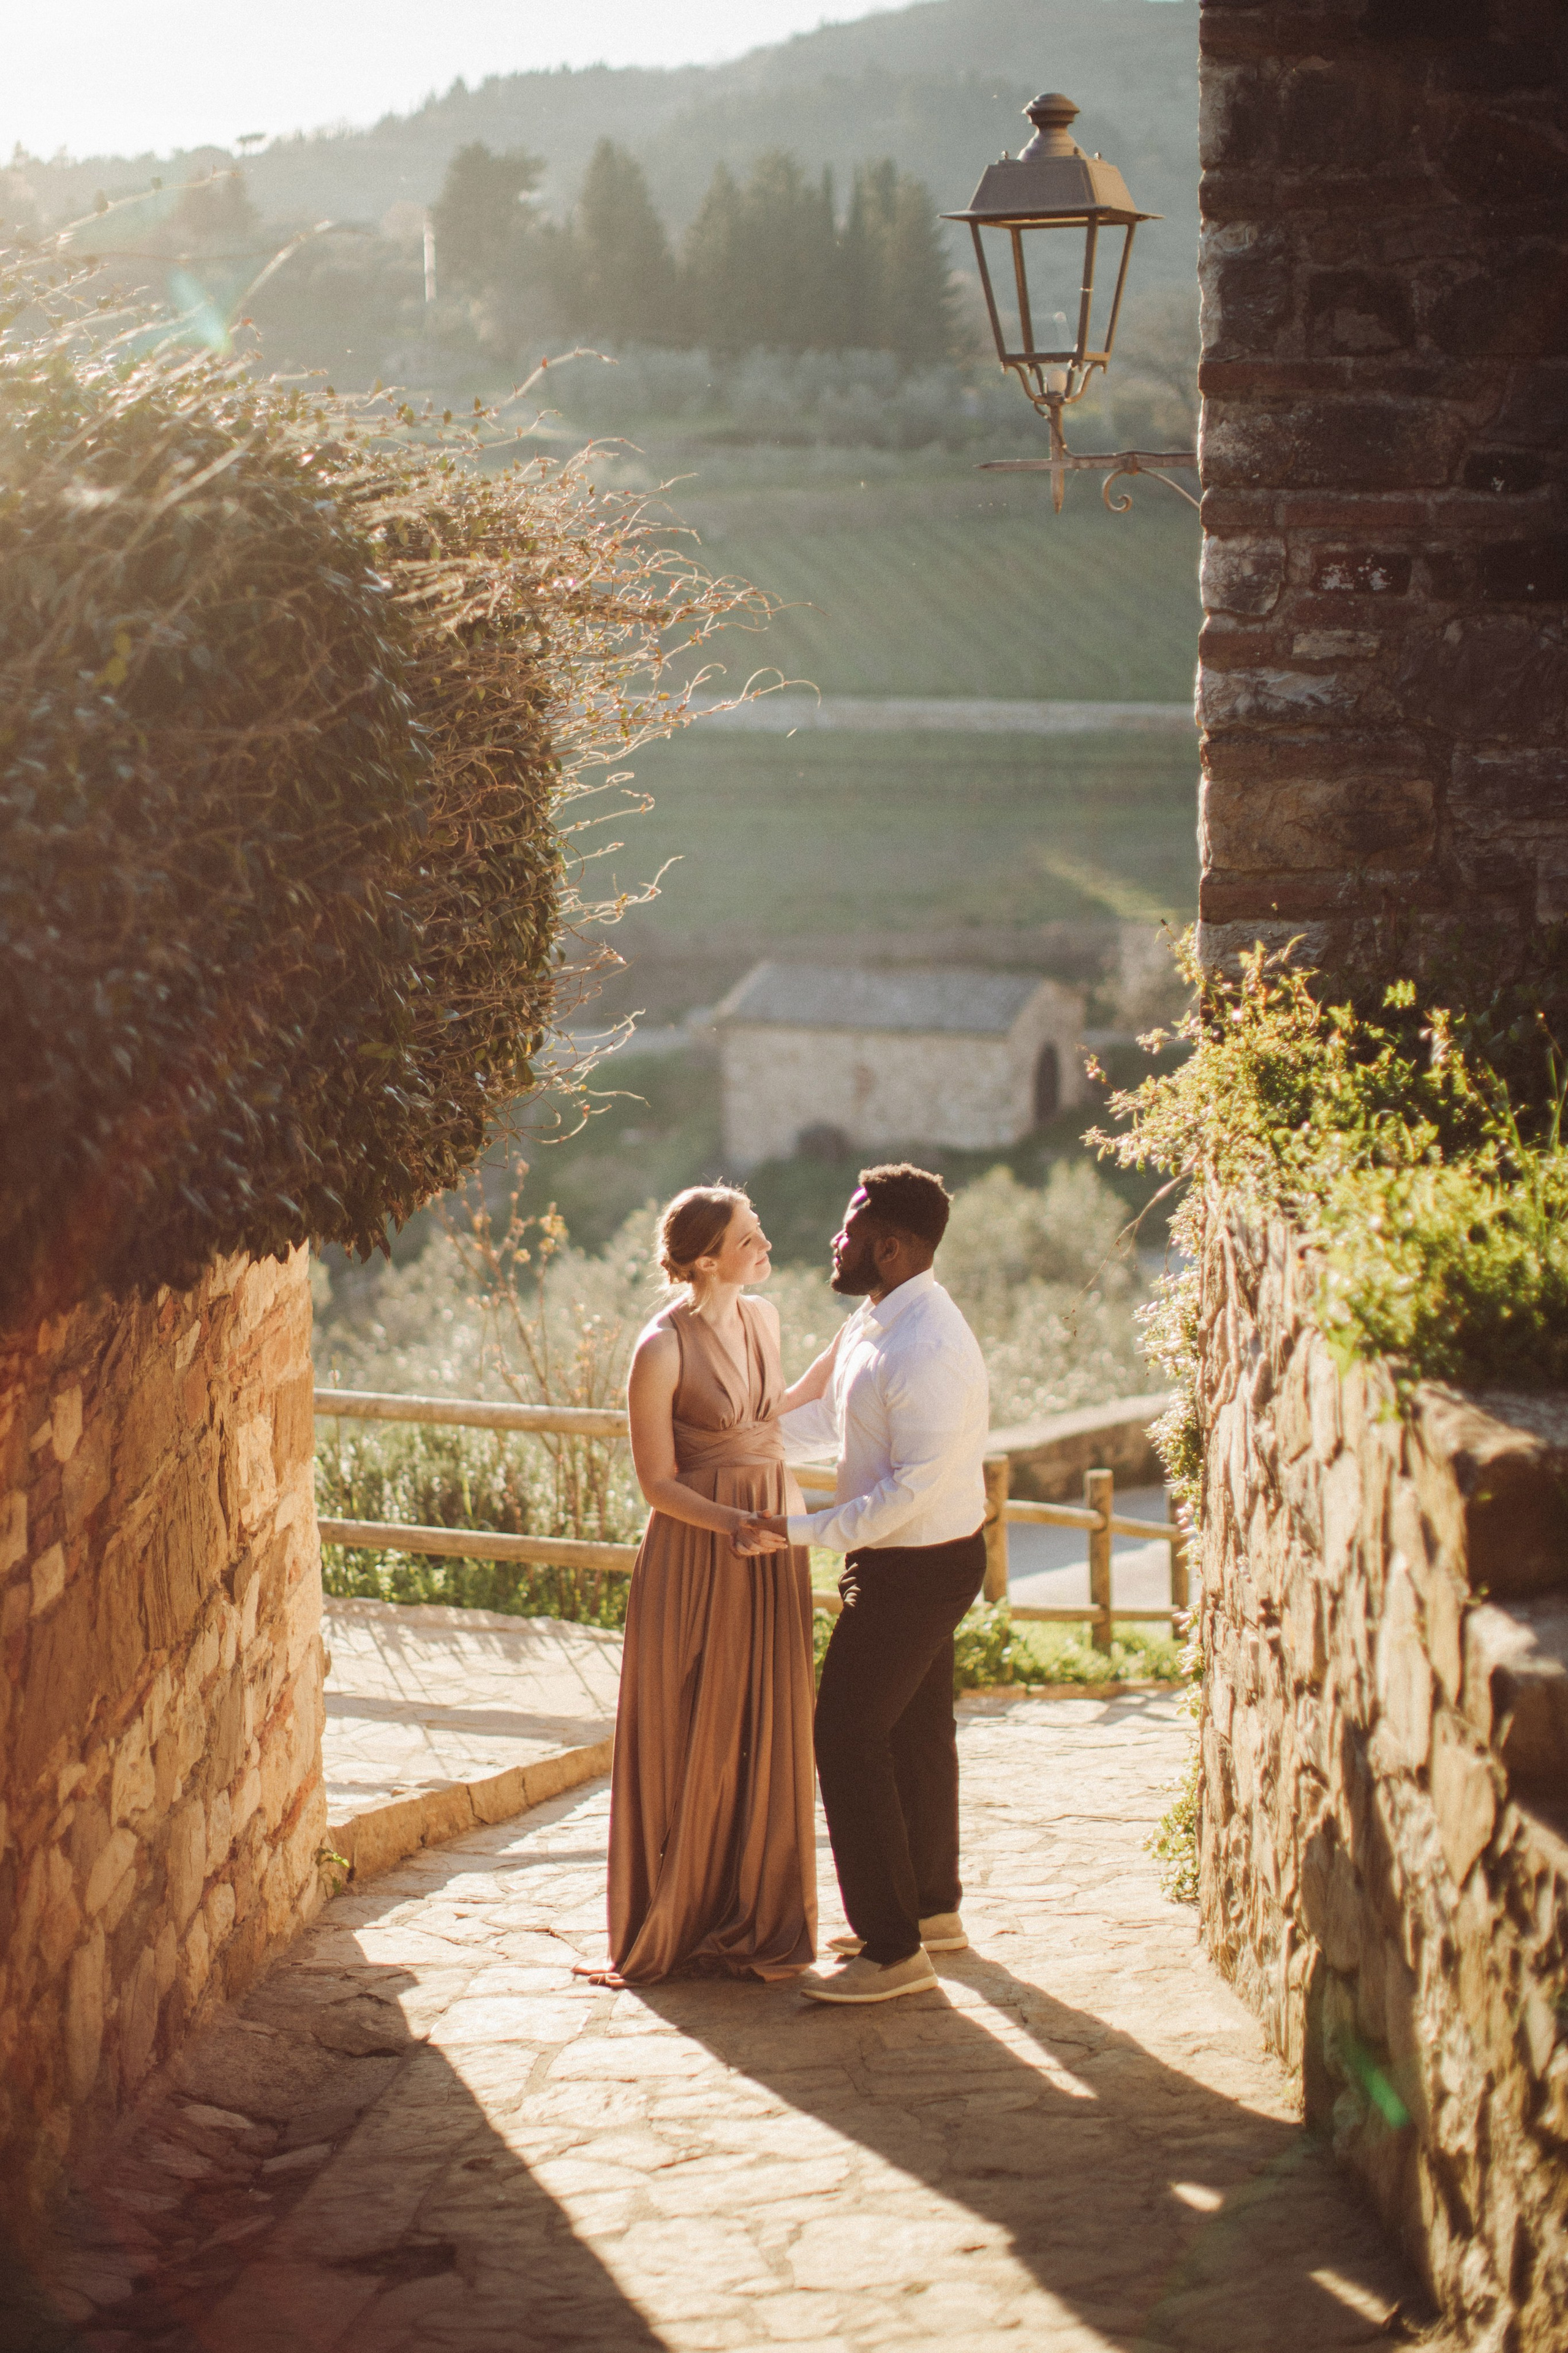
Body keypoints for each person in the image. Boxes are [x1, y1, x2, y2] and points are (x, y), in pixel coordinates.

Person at [760, 1163, 990, 2005]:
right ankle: (930, 1912)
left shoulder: (927, 1347)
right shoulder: (878, 1319)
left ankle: (892, 1951)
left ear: (889, 1248)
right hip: (906, 1558)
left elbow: (907, 1497)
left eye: (850, 1225)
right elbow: (833, 1421)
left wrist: (796, 1534)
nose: (837, 1237)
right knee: (915, 1735)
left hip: (920, 1564)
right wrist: (744, 1443)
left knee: (846, 1735)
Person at [578, 1186, 818, 1985]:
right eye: (750, 1237)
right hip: (698, 1553)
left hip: (772, 1541)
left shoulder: (767, 1318)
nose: (766, 1245)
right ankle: (679, 1915)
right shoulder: (660, 1348)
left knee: (768, 1717)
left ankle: (755, 1914)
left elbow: (768, 1421)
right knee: (693, 1728)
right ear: (708, 1258)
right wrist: (729, 1525)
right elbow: (656, 1482)